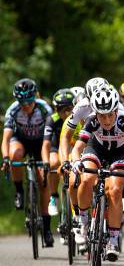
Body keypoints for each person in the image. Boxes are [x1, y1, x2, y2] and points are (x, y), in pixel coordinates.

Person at [70, 87, 124, 260]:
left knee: (116, 190)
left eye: (110, 114)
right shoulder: (91, 121)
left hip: (120, 153)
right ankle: (83, 220)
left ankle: (112, 238)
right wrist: (75, 162)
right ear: (95, 113)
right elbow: (77, 148)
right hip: (96, 149)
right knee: (87, 178)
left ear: (116, 110)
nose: (107, 120)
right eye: (102, 115)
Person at [2, 78, 54, 246]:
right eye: (22, 102)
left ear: (35, 97)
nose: (26, 105)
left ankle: (46, 228)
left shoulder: (44, 109)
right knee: (15, 153)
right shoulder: (13, 110)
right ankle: (19, 192)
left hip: (41, 142)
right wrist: (5, 159)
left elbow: (49, 138)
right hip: (21, 140)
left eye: (29, 101)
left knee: (43, 181)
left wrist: (46, 161)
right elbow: (6, 139)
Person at [42, 89, 75, 219]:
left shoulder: (77, 117)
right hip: (56, 147)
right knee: (54, 162)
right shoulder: (52, 119)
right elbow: (46, 145)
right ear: (56, 109)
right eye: (62, 109)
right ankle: (54, 197)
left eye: (69, 108)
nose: (66, 112)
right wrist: (45, 162)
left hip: (72, 147)